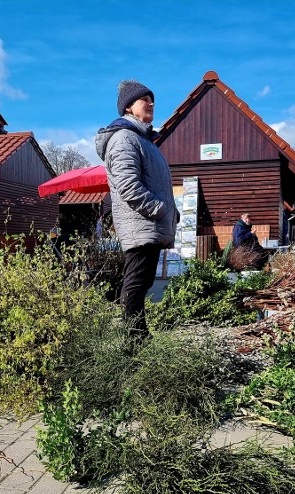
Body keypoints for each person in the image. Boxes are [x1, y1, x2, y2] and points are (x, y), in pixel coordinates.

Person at [95, 80, 179, 339]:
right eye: (145, 99)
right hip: (141, 224)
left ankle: (139, 334)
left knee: (142, 283)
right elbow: (128, 186)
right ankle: (133, 339)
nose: (151, 103)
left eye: (152, 99)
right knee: (135, 282)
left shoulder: (143, 140)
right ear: (129, 107)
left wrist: (170, 213)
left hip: (149, 225)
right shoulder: (123, 139)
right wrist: (158, 209)